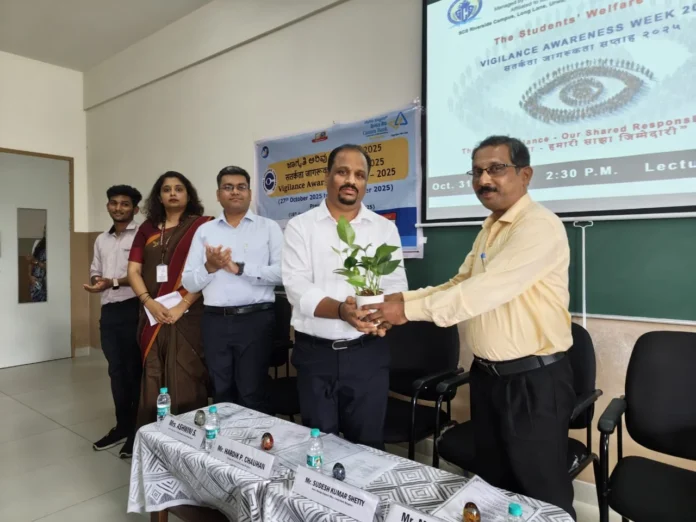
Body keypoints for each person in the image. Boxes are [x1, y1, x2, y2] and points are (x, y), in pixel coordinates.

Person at [366, 136, 576, 519]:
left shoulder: (538, 227)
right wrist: (398, 300)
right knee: (494, 486)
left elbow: (482, 292)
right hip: (488, 379)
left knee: (541, 493)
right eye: (477, 171)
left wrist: (404, 313)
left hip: (532, 384)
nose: (484, 180)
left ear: (525, 175)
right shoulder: (490, 228)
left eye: (496, 169)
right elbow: (460, 283)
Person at [281, 144, 408, 449]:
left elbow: (395, 284)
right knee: (318, 445)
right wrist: (341, 311)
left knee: (367, 446)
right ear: (327, 176)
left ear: (366, 182)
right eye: (343, 172)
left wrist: (384, 318)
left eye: (360, 175)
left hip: (367, 353)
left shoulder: (384, 229)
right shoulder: (300, 227)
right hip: (316, 355)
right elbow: (296, 287)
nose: (351, 180)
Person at [182, 166, 283, 413]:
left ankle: (253, 437)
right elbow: (189, 282)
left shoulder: (268, 227)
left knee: (252, 390)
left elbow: (283, 274)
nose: (235, 192)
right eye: (228, 187)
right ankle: (224, 437)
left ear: (250, 193)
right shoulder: (205, 231)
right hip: (215, 322)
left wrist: (240, 269)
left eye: (241, 187)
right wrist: (210, 266)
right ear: (218, 195)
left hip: (256, 320)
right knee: (221, 389)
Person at [127, 171, 212, 431]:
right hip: (152, 315)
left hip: (188, 314)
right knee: (153, 373)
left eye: (179, 189)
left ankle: (190, 438)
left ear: (188, 195)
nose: (173, 193)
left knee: (186, 374)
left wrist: (182, 305)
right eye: (166, 189)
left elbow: (209, 270)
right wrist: (149, 302)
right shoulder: (147, 229)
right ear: (159, 197)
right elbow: (133, 271)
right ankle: (153, 437)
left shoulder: (203, 226)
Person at [84, 185, 142, 458]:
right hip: (109, 311)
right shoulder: (101, 239)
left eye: (125, 204)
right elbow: (95, 268)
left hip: (134, 309)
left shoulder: (143, 235)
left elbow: (144, 274)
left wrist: (114, 282)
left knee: (134, 372)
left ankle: (137, 431)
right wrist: (98, 281)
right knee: (116, 372)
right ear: (108, 206)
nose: (119, 208)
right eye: (114, 203)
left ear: (135, 209)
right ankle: (122, 426)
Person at [28, 227, 47, 302]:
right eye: (45, 228)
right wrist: (30, 276)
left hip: (47, 282)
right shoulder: (38, 243)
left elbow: (51, 267)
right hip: (35, 282)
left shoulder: (56, 246)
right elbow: (31, 262)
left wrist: (36, 262)